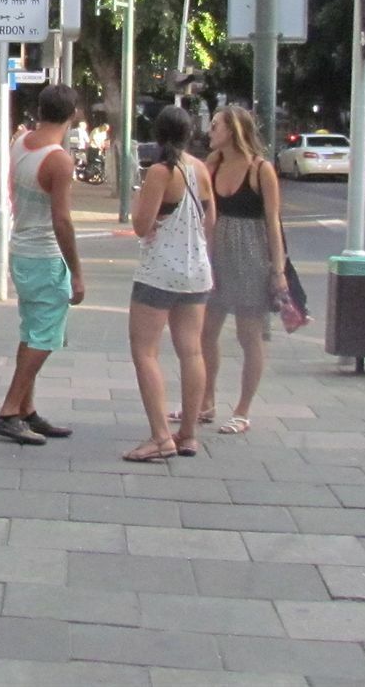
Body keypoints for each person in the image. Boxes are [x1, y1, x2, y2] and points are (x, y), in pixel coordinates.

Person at [0, 85, 86, 446]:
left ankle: (26, 409)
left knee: (31, 331)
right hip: (45, 254)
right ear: (72, 113)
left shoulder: (21, 142)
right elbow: (62, 220)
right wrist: (76, 270)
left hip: (22, 247)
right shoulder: (59, 160)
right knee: (46, 336)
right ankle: (9, 410)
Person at [124, 106, 214, 462]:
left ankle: (160, 436)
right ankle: (188, 434)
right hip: (196, 271)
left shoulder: (161, 172)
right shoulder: (201, 169)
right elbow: (210, 222)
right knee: (191, 351)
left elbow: (141, 225)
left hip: (160, 270)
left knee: (145, 351)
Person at [198, 105, 286, 436]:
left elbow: (273, 223)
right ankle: (206, 401)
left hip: (250, 257)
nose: (210, 131)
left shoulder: (261, 170)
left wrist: (277, 271)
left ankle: (242, 410)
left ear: (233, 131)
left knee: (249, 336)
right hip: (215, 255)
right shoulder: (212, 165)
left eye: (216, 126)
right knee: (206, 331)